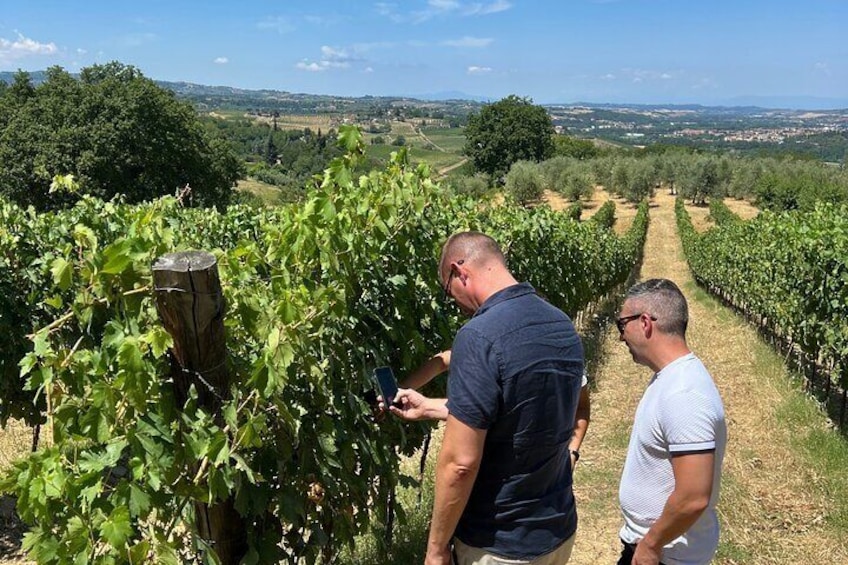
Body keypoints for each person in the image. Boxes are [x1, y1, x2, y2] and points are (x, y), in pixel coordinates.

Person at [388, 231, 585, 565]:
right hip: (557, 530)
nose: (457, 306)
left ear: (460, 271)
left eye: (450, 294)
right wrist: (428, 407)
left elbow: (460, 465)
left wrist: (436, 549)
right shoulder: (561, 324)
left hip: (499, 545)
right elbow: (519, 410)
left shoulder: (479, 335)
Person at [615, 279, 726, 565]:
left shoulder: (684, 393)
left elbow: (693, 496)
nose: (621, 337)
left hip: (666, 555)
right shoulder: (671, 378)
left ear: (644, 323)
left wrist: (652, 544)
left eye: (622, 325)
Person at [400, 351, 590, 472]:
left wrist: (572, 453)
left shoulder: (564, 363)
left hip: (544, 478)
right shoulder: (495, 353)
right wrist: (402, 391)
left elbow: (581, 408)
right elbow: (442, 361)